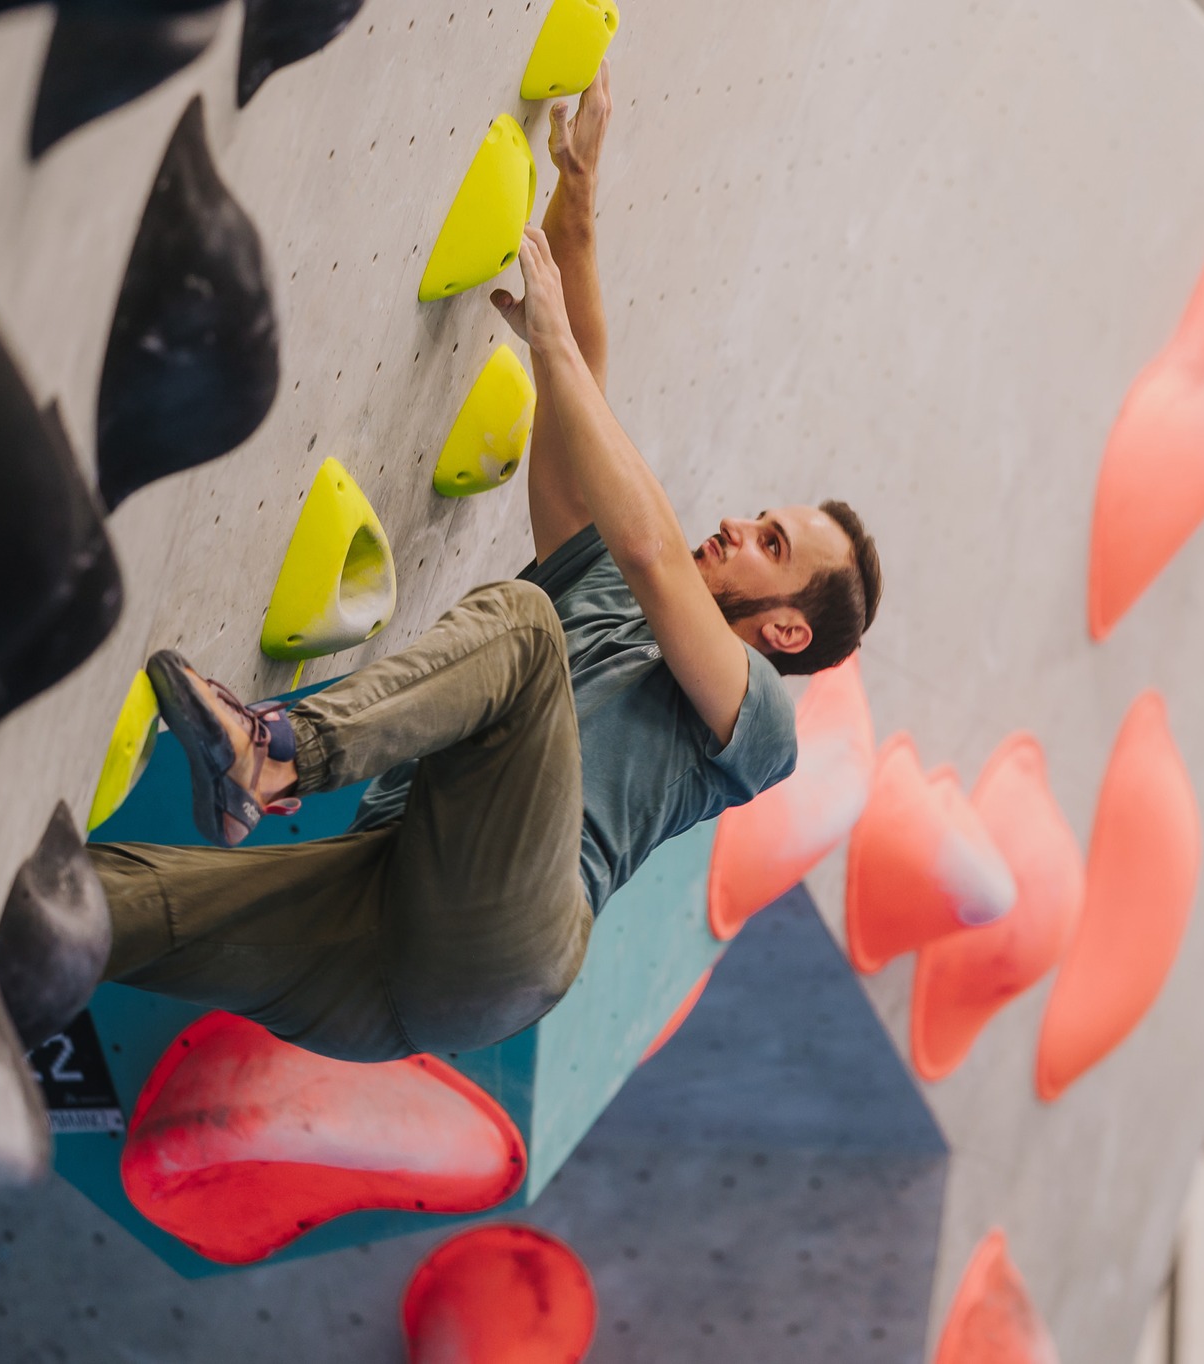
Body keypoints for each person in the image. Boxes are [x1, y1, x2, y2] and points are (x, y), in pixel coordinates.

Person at [88, 63, 883, 1062]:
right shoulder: (601, 585)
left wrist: (548, 337)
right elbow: (581, 394)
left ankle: (277, 749)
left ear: (784, 629)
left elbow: (645, 540)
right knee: (103, 902)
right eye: (760, 516)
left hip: (499, 952)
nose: (734, 524)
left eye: (770, 543)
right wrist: (578, 203)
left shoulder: (757, 719)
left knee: (521, 628)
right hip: (374, 944)